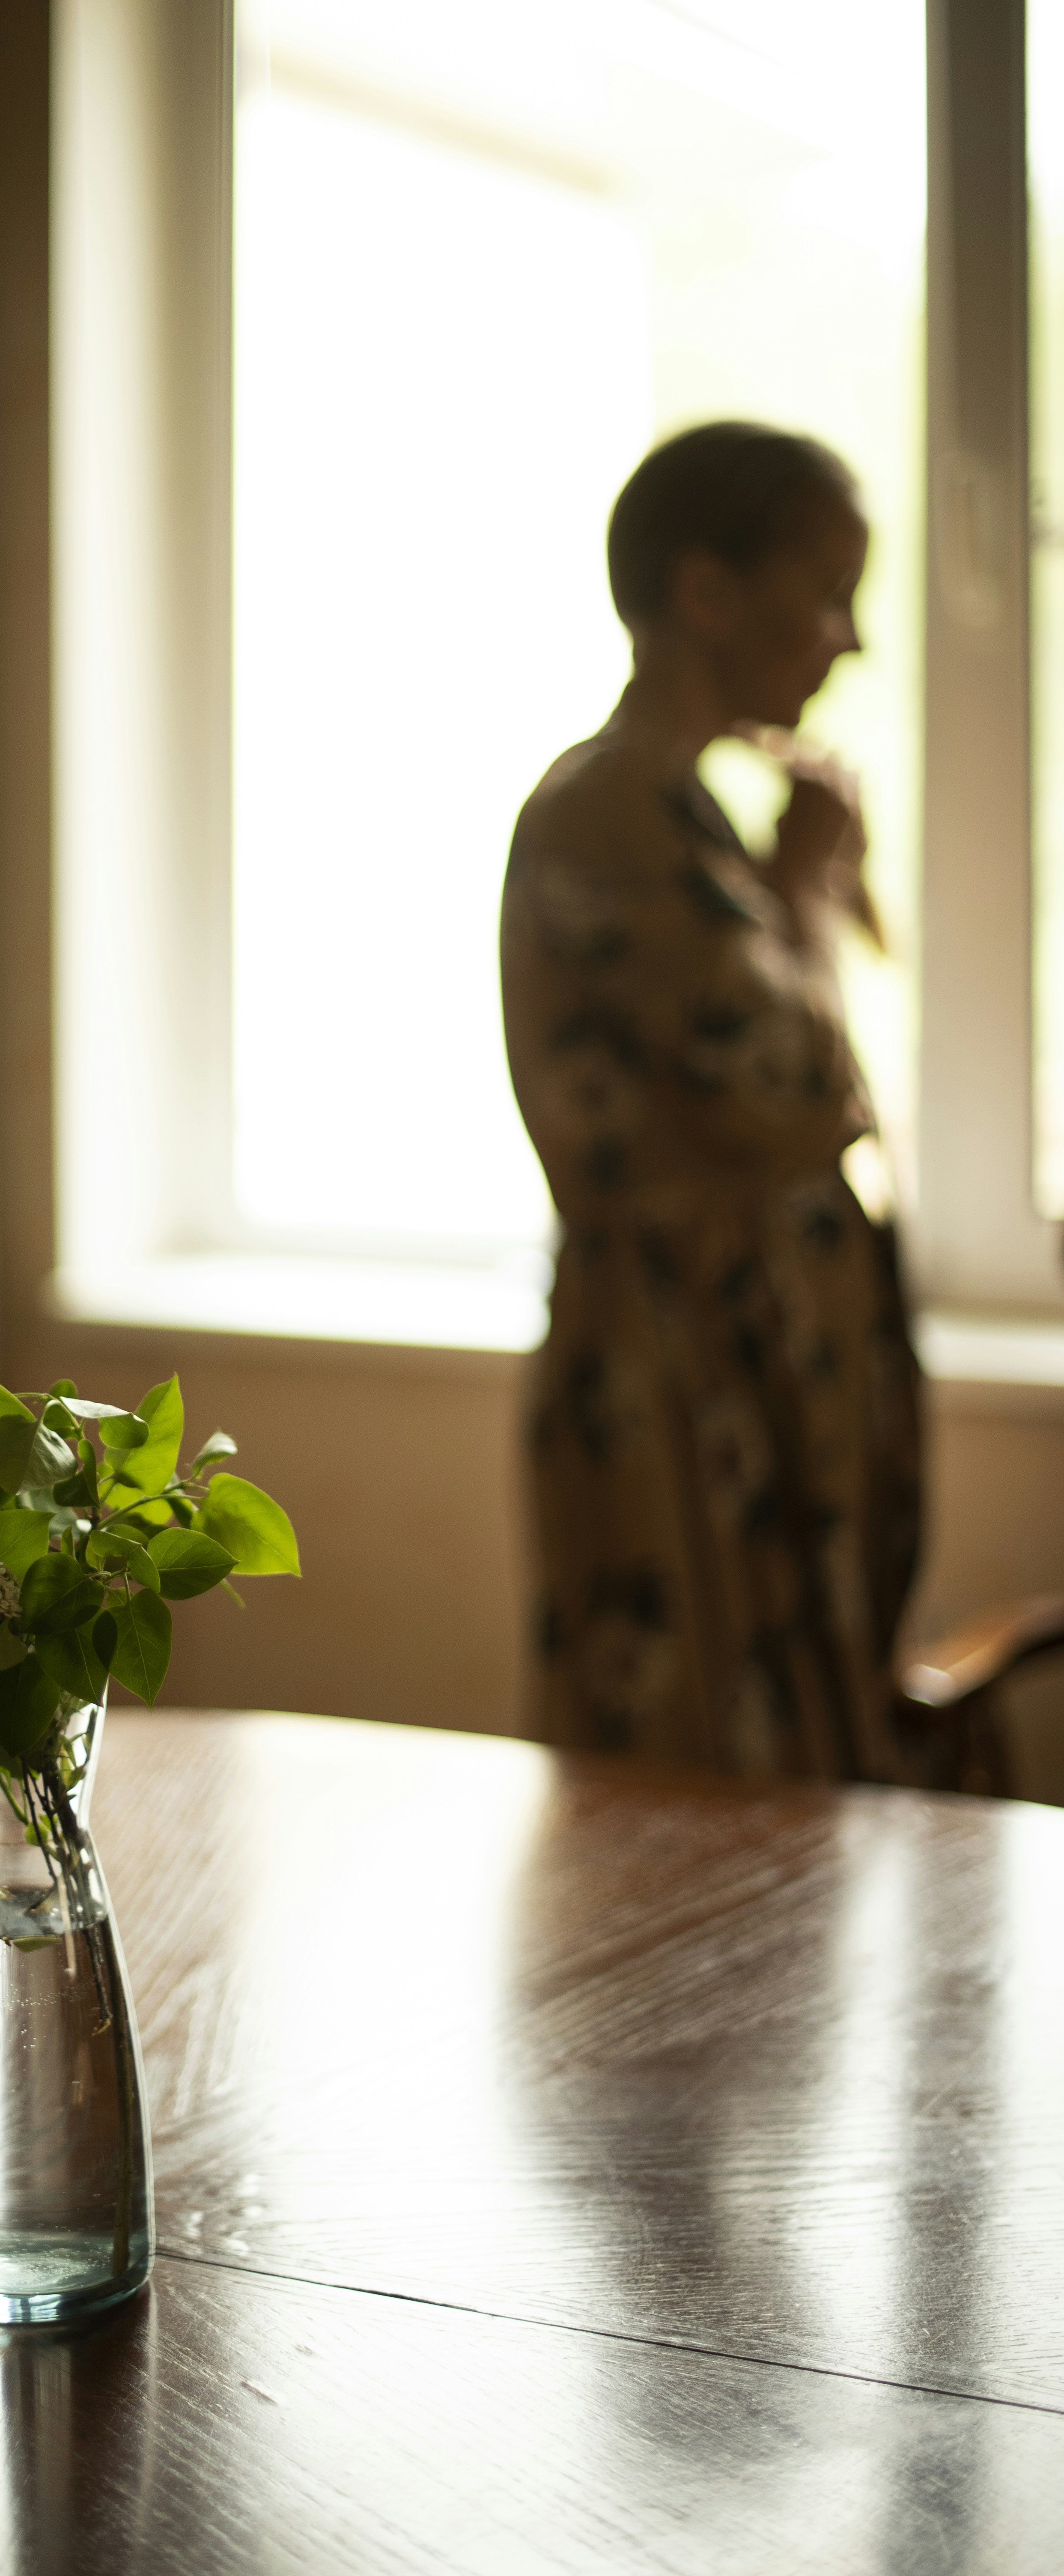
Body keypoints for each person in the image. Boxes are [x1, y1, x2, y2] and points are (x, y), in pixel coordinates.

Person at [499, 421, 920, 1782]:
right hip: (681, 1388)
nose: (847, 639)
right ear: (708, 592)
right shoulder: (611, 808)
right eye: (827, 589)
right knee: (696, 1808)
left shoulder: (684, 813)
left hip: (742, 1368)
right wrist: (803, 892)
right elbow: (795, 1087)